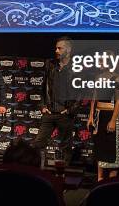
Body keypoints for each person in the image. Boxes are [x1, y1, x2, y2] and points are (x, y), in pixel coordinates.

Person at [33, 36, 79, 165]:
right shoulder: (50, 64)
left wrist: (70, 110)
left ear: (68, 50)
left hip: (64, 113)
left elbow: (81, 93)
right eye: (56, 48)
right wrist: (42, 105)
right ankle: (37, 171)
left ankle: (64, 176)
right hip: (49, 112)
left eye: (60, 48)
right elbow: (44, 87)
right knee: (38, 144)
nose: (56, 51)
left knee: (65, 147)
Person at [88, 50, 119, 180]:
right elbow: (94, 98)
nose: (99, 62)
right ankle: (99, 180)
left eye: (102, 60)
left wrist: (113, 120)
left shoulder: (117, 78)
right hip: (99, 116)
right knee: (100, 149)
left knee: (111, 150)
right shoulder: (98, 77)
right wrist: (91, 116)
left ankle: (110, 182)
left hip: (110, 115)